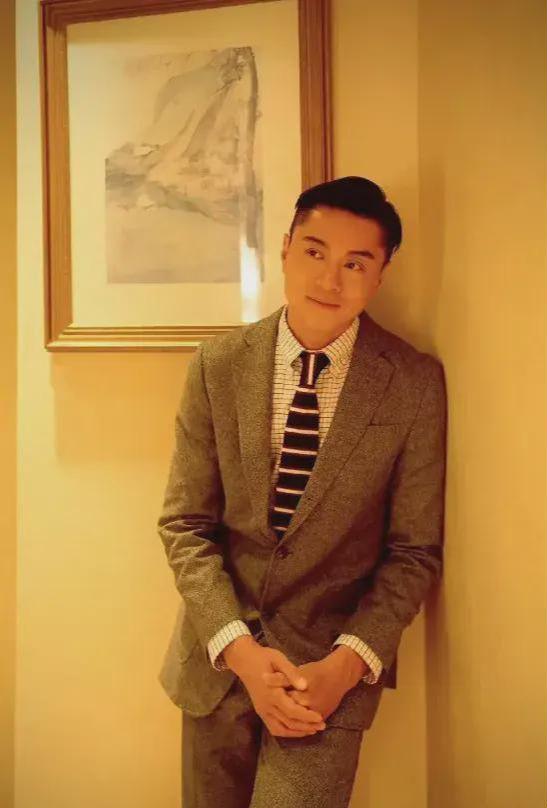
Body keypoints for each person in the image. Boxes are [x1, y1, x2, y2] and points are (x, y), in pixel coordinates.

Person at [157, 176, 447, 808]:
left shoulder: (413, 383)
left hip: (327, 680)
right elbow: (185, 524)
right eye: (315, 252)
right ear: (286, 248)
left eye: (355, 263)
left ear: (381, 273)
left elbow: (414, 552)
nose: (329, 279)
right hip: (218, 664)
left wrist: (347, 665)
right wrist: (239, 650)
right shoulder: (217, 364)